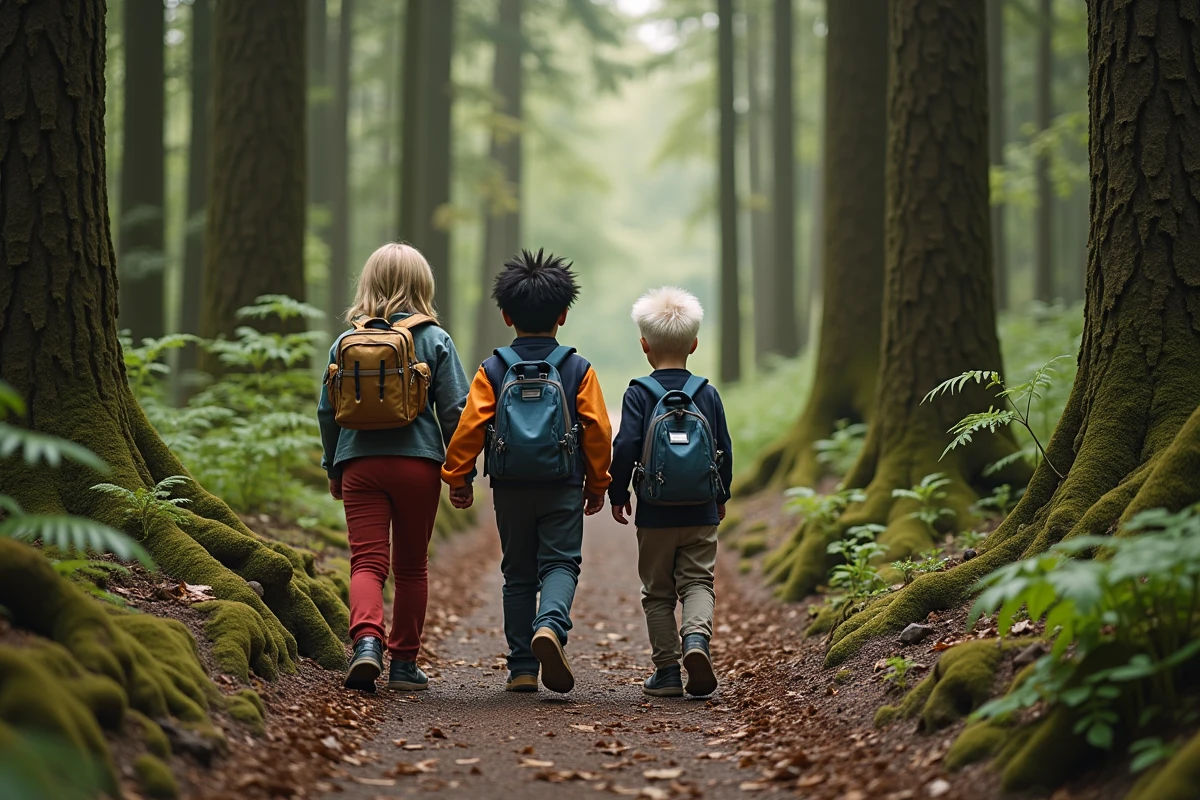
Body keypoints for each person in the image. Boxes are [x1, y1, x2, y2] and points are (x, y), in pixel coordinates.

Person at [442, 249, 612, 694]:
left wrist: (458, 476)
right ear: (563, 315)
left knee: (517, 574)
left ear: (506, 316)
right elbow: (598, 429)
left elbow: (470, 425)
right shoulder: (577, 368)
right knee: (561, 562)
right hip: (562, 482)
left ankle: (521, 668)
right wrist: (598, 482)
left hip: (510, 485)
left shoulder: (493, 369)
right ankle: (550, 625)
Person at [318, 242, 470, 693]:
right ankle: (404, 664)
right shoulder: (435, 339)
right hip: (417, 465)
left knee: (366, 562)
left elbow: (327, 411)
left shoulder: (345, 342)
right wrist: (460, 473)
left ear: (368, 284)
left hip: (359, 463)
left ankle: (367, 643)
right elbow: (456, 411)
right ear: (423, 286)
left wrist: (333, 467)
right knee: (411, 567)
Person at [608, 286, 733, 698]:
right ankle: (696, 640)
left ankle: (666, 673)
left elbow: (626, 445)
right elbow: (724, 448)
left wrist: (619, 493)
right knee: (698, 583)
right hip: (700, 509)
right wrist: (721, 497)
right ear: (694, 344)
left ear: (644, 345)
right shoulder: (707, 393)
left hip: (655, 512)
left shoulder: (638, 393)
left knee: (658, 592)